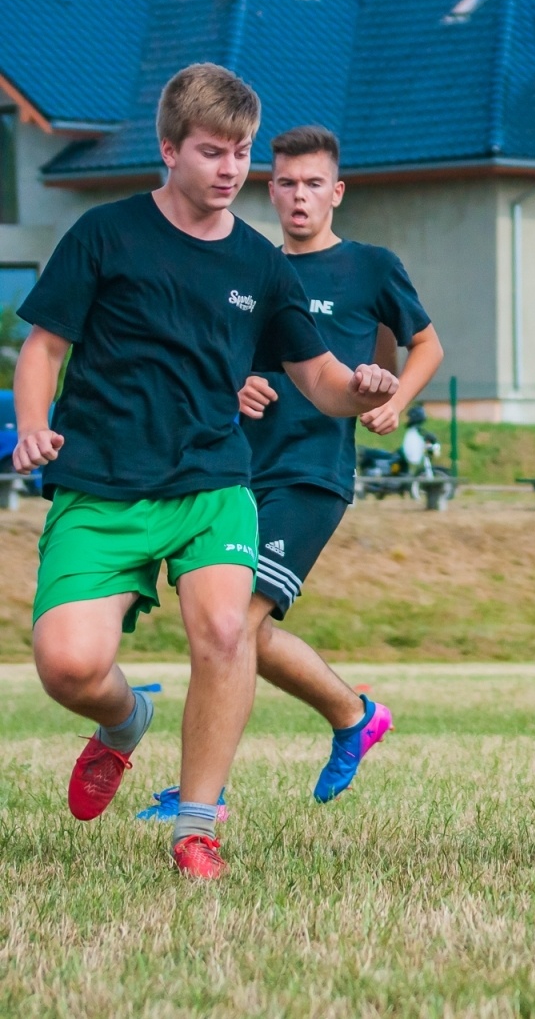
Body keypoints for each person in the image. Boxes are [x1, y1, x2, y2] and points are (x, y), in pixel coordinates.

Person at [10, 64, 398, 880]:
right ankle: (124, 723)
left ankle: (196, 828)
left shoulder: (262, 266)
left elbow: (319, 378)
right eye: (213, 152)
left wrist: (358, 386)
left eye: (241, 153)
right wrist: (37, 427)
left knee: (227, 632)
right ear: (169, 149)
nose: (230, 170)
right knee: (69, 666)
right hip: (102, 482)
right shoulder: (105, 234)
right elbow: (44, 346)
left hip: (214, 484)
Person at [150, 125, 440, 807]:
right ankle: (354, 715)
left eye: (314, 184)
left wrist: (396, 398)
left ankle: (203, 793)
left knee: (234, 623)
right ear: (269, 189)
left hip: (313, 473)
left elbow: (425, 344)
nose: (299, 196)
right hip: (239, 471)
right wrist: (233, 386)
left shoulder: (370, 266)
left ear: (336, 192)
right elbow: (220, 360)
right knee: (233, 623)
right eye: (286, 183)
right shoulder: (250, 267)